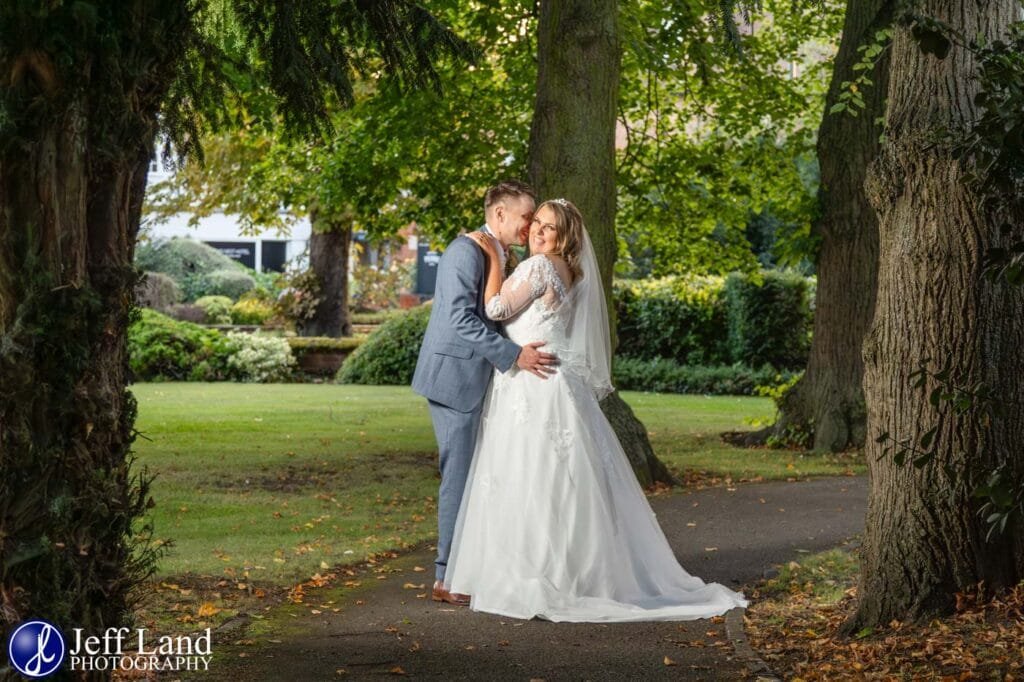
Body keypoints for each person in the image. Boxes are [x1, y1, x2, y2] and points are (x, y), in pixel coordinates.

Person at [445, 198, 748, 621]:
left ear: (564, 236)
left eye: (549, 228)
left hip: (534, 386)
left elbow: (496, 309)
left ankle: (539, 572)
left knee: (531, 478)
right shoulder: (573, 272)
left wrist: (494, 257)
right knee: (560, 481)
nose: (538, 232)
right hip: (555, 382)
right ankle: (573, 572)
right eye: (537, 224)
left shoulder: (537, 267)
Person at [411, 180, 558, 605]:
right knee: (459, 475)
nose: (530, 224)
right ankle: (445, 577)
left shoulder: (497, 251)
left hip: (481, 377)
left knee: (481, 476)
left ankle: (471, 569)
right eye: (526, 216)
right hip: (455, 378)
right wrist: (514, 355)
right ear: (499, 214)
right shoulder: (465, 250)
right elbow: (460, 318)